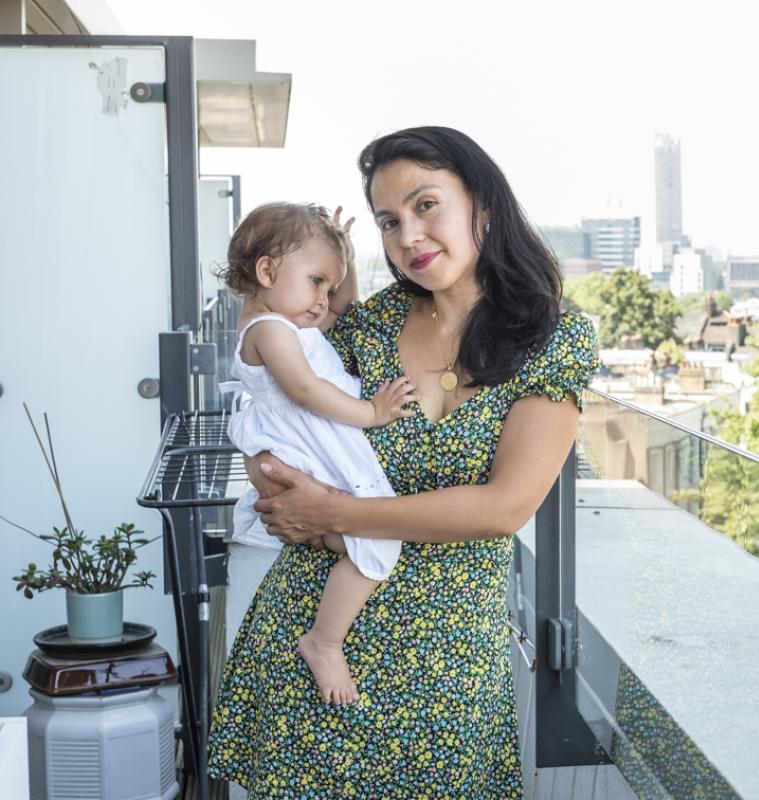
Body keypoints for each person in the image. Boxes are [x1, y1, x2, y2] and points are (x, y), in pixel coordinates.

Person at [208, 126, 600, 798]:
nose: (408, 237)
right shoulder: (364, 329)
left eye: (425, 206)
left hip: (446, 675)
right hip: (315, 653)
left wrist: (333, 514)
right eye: (389, 221)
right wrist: (298, 506)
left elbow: (503, 508)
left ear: (483, 205)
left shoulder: (551, 339)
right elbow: (274, 453)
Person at [216, 202, 418, 705]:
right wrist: (372, 412)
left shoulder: (287, 323)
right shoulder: (269, 330)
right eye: (316, 282)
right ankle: (325, 642)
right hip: (310, 444)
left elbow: (339, 317)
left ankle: (327, 610)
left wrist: (340, 258)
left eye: (327, 286)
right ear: (267, 270)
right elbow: (305, 391)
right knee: (379, 544)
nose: (324, 300)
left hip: (311, 444)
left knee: (364, 541)